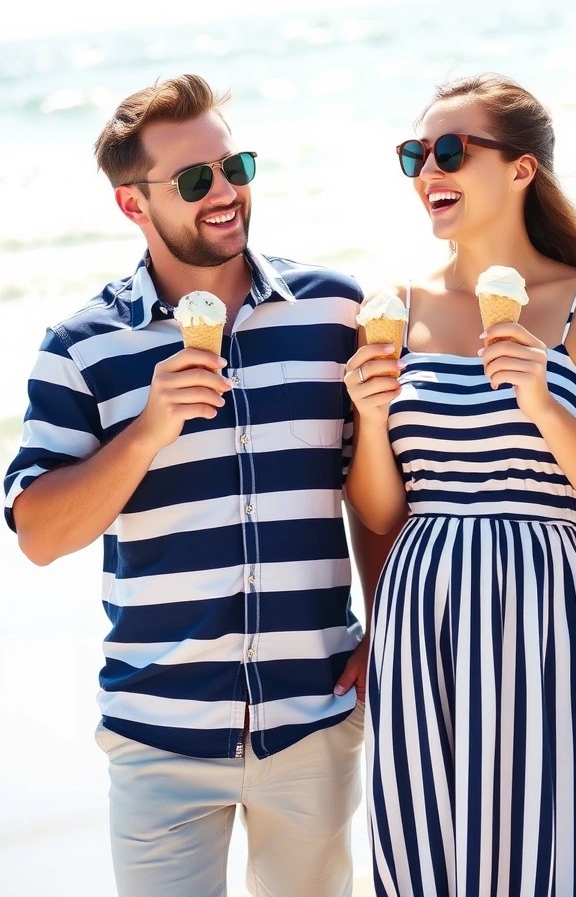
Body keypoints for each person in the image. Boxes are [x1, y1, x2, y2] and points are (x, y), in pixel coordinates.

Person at [4, 73, 388, 897]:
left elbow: (375, 492)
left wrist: (384, 618)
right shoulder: (82, 346)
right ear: (132, 205)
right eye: (193, 179)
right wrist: (147, 429)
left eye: (235, 165)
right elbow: (39, 533)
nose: (225, 192)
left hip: (310, 718)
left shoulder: (334, 313)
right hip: (160, 733)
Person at [343, 73, 576, 896]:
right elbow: (383, 511)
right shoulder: (394, 305)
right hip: (423, 617)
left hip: (548, 614)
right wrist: (370, 416)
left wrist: (542, 399)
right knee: (437, 850)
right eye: (415, 154)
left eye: (452, 151)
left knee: (563, 846)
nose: (430, 170)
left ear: (523, 170)